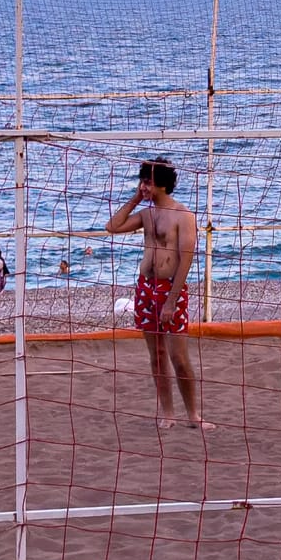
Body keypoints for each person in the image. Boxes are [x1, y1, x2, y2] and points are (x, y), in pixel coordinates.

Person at [105, 157, 204, 428]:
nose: (143, 187)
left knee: (179, 358)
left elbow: (186, 260)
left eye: (147, 182)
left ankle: (193, 414)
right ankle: (168, 413)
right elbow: (112, 226)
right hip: (145, 288)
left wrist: (171, 300)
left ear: (162, 184)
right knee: (156, 356)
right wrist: (136, 198)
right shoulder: (146, 214)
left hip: (170, 288)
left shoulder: (183, 216)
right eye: (142, 182)